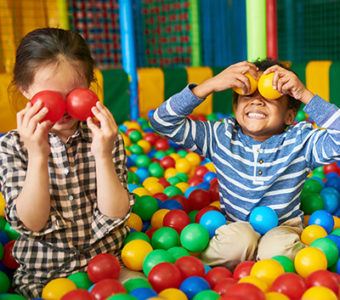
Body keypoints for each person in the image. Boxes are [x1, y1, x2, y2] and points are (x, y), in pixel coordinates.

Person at [150, 59, 340, 270]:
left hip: (282, 226)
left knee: (276, 251)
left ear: (289, 115)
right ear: (235, 108)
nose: (257, 102)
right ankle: (200, 268)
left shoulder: (301, 142)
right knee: (238, 242)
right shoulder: (220, 137)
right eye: (247, 95)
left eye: (270, 96)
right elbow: (161, 121)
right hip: (236, 226)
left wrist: (304, 94)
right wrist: (210, 85)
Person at [0, 28, 134, 298]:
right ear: (26, 90)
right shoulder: (11, 146)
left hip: (110, 266)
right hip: (46, 277)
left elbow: (115, 213)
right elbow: (32, 223)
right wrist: (37, 156)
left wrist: (103, 155)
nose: (64, 107)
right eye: (52, 96)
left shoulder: (105, 137)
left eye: (75, 93)